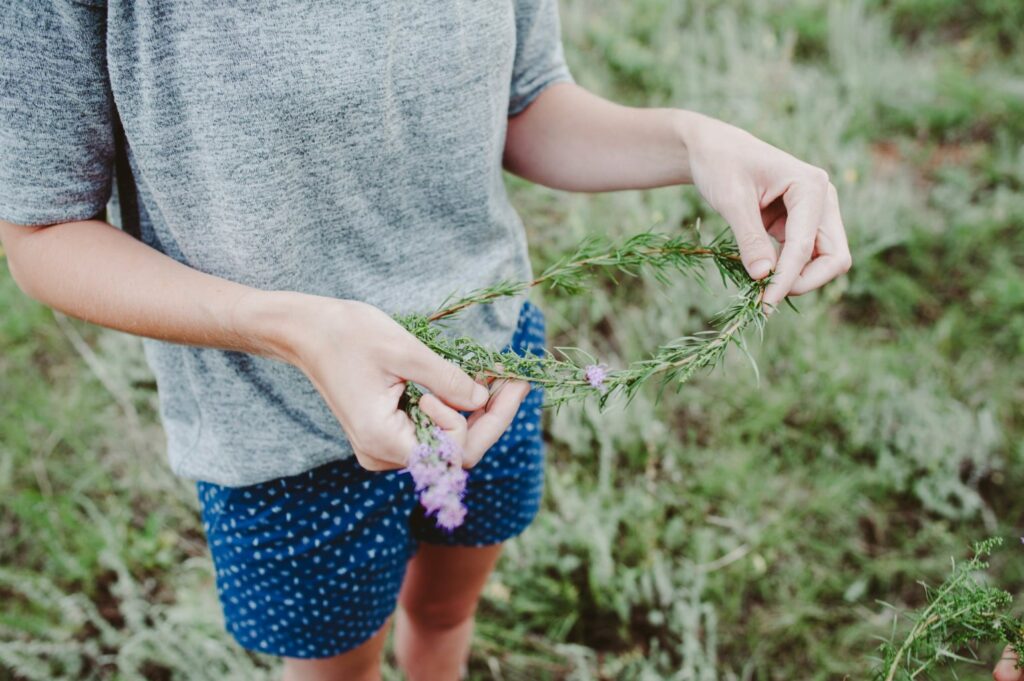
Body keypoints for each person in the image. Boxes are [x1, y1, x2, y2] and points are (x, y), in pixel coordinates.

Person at [0, 2, 850, 680]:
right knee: (337, 666)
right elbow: (45, 233)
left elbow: (528, 104)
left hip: (492, 372)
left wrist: (694, 140)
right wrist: (297, 329)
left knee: (445, 612)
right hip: (278, 429)